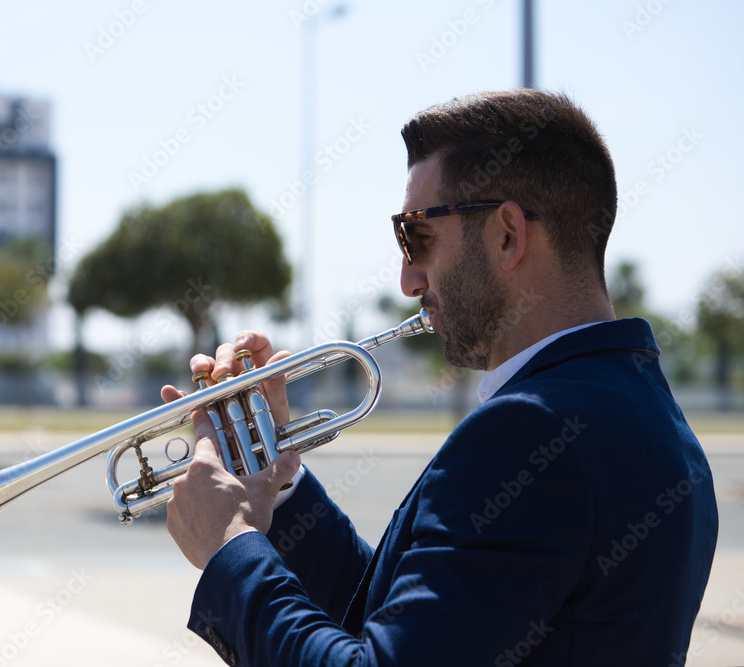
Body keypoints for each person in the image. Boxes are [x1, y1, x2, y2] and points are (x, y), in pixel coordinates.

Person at [160, 89, 719, 666]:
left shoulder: (530, 432)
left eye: (416, 237)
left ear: (507, 235)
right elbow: (404, 625)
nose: (407, 280)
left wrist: (232, 547)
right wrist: (276, 477)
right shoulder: (650, 410)